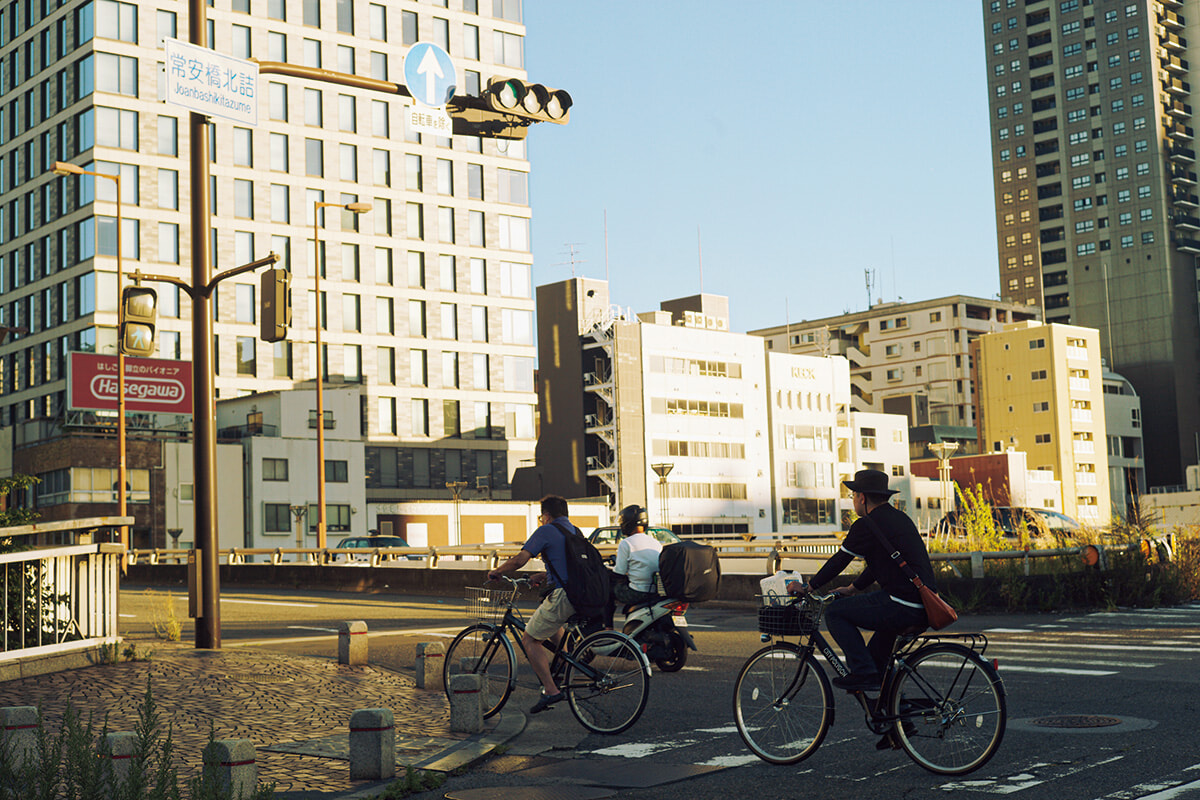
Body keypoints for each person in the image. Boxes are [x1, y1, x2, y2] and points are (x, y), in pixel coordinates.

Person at [790, 469, 935, 697]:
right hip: (922, 606)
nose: (853, 502)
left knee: (835, 613)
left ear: (862, 497)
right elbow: (882, 564)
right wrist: (852, 589)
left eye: (853, 496)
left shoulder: (866, 524)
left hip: (901, 604)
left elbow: (840, 560)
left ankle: (862, 673)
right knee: (880, 664)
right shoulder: (899, 519)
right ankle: (897, 724)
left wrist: (809, 587)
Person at [486, 495, 578, 714]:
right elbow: (567, 566)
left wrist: (497, 571)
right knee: (553, 627)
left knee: (529, 639)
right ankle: (565, 670)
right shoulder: (574, 531)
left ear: (546, 516)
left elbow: (520, 560)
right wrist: (544, 575)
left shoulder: (546, 530)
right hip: (579, 593)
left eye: (541, 516)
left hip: (562, 596)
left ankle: (551, 690)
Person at [612, 505, 662, 608]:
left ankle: (608, 624)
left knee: (608, 588)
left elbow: (619, 572)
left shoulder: (626, 543)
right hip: (655, 591)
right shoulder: (656, 542)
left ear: (628, 522)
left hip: (637, 592)